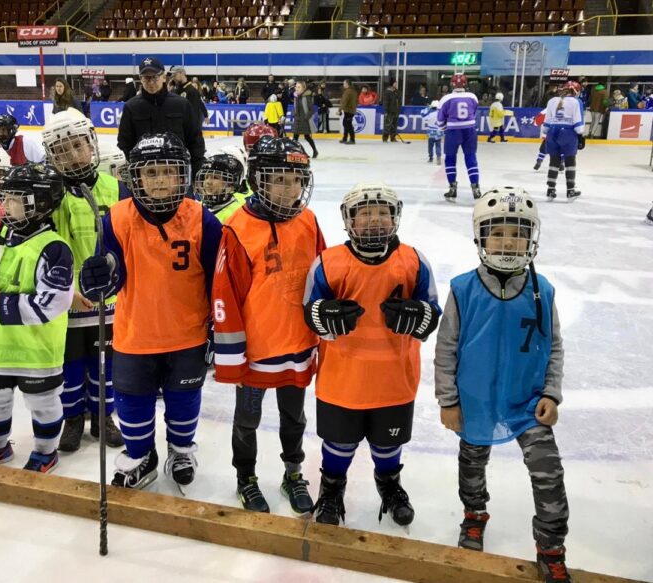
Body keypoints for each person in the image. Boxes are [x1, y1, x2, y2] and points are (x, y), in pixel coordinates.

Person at [434, 187, 571, 583]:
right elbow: (446, 350)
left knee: (549, 475)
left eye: (518, 232)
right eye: (498, 232)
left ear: (533, 238)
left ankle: (551, 548)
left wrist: (550, 393)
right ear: (481, 236)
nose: (509, 241)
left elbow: (554, 345)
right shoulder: (463, 289)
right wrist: (448, 400)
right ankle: (474, 516)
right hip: (474, 403)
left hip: (527, 405)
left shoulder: (542, 290)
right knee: (471, 466)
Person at [79, 133, 222, 491]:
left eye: (168, 172)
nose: (160, 180)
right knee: (132, 401)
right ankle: (141, 455)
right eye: (151, 172)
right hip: (134, 334)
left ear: (183, 175)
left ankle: (180, 449)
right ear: (137, 177)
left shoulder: (202, 220)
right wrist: (98, 280)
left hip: (188, 335)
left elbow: (217, 282)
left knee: (183, 399)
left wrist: (220, 328)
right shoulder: (116, 218)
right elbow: (111, 278)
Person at [303, 183, 440, 528]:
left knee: (387, 444)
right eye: (364, 213)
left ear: (395, 218)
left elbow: (432, 311)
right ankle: (332, 490)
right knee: (339, 442)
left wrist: (422, 314)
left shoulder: (413, 259)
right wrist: (320, 315)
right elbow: (308, 312)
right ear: (349, 220)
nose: (373, 220)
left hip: (394, 381)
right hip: (341, 381)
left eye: (382, 212)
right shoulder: (328, 261)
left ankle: (390, 486)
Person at [212, 136, 325, 515]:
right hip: (255, 353)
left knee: (295, 417)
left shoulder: (308, 221)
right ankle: (246, 477)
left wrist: (324, 335)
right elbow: (226, 294)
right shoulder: (239, 227)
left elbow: (323, 279)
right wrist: (232, 355)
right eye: (279, 179)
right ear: (258, 179)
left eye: (296, 180)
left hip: (297, 346)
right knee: (247, 419)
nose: (290, 189)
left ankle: (293, 473)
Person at [0, 163, 73, 474]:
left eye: (15, 198)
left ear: (40, 204)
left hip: (38, 351)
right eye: (5, 197)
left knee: (43, 403)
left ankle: (45, 451)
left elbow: (51, 305)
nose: (5, 205)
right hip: (0, 346)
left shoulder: (54, 248)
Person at [41, 109, 127, 453]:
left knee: (104, 366)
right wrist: (65, 291)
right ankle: (73, 418)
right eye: (61, 151)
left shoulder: (116, 187)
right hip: (68, 303)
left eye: (77, 146)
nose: (71, 156)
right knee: (70, 367)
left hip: (109, 302)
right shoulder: (49, 194)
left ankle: (102, 416)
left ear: (91, 144)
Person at [116, 57, 206, 176]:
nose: (151, 82)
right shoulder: (131, 107)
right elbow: (124, 143)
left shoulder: (181, 105)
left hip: (178, 176)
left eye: (155, 77)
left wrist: (195, 173)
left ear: (163, 77)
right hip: (145, 178)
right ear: (140, 79)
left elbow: (195, 140)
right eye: (146, 78)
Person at [438, 73, 481, 202]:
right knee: (471, 157)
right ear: (465, 83)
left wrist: (445, 128)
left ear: (451, 84)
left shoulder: (445, 99)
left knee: (450, 159)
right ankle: (476, 188)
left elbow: (440, 120)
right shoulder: (473, 97)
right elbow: (474, 112)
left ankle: (452, 188)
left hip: (453, 131)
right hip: (470, 130)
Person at [543, 81, 584, 201]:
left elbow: (547, 123)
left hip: (552, 133)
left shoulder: (552, 101)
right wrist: (580, 137)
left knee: (554, 162)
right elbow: (578, 124)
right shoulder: (576, 102)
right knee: (570, 162)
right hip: (568, 133)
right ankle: (570, 191)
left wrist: (547, 133)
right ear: (576, 91)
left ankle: (550, 190)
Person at [194, 153, 247, 223]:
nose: (208, 182)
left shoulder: (236, 214)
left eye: (215, 177)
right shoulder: (197, 206)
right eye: (206, 177)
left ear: (230, 185)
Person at [291, 80, 319, 159]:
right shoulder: (296, 97)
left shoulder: (306, 97)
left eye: (299, 87)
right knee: (295, 139)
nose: (296, 88)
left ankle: (315, 151)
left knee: (307, 137)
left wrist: (306, 118)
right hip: (297, 120)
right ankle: (302, 153)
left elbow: (311, 110)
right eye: (296, 87)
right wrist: (294, 113)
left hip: (304, 121)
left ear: (303, 88)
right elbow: (296, 108)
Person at [421, 100, 442, 165]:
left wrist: (427, 108)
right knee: (438, 145)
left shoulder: (430, 114)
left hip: (431, 132)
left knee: (430, 146)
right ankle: (438, 157)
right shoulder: (440, 114)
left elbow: (422, 115)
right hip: (438, 131)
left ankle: (431, 158)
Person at [339, 79, 358, 145]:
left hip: (349, 110)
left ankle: (352, 139)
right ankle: (345, 138)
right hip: (351, 110)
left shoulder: (348, 91)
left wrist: (340, 109)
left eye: (344, 83)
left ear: (347, 84)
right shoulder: (354, 91)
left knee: (348, 124)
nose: (343, 85)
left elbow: (344, 101)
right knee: (346, 123)